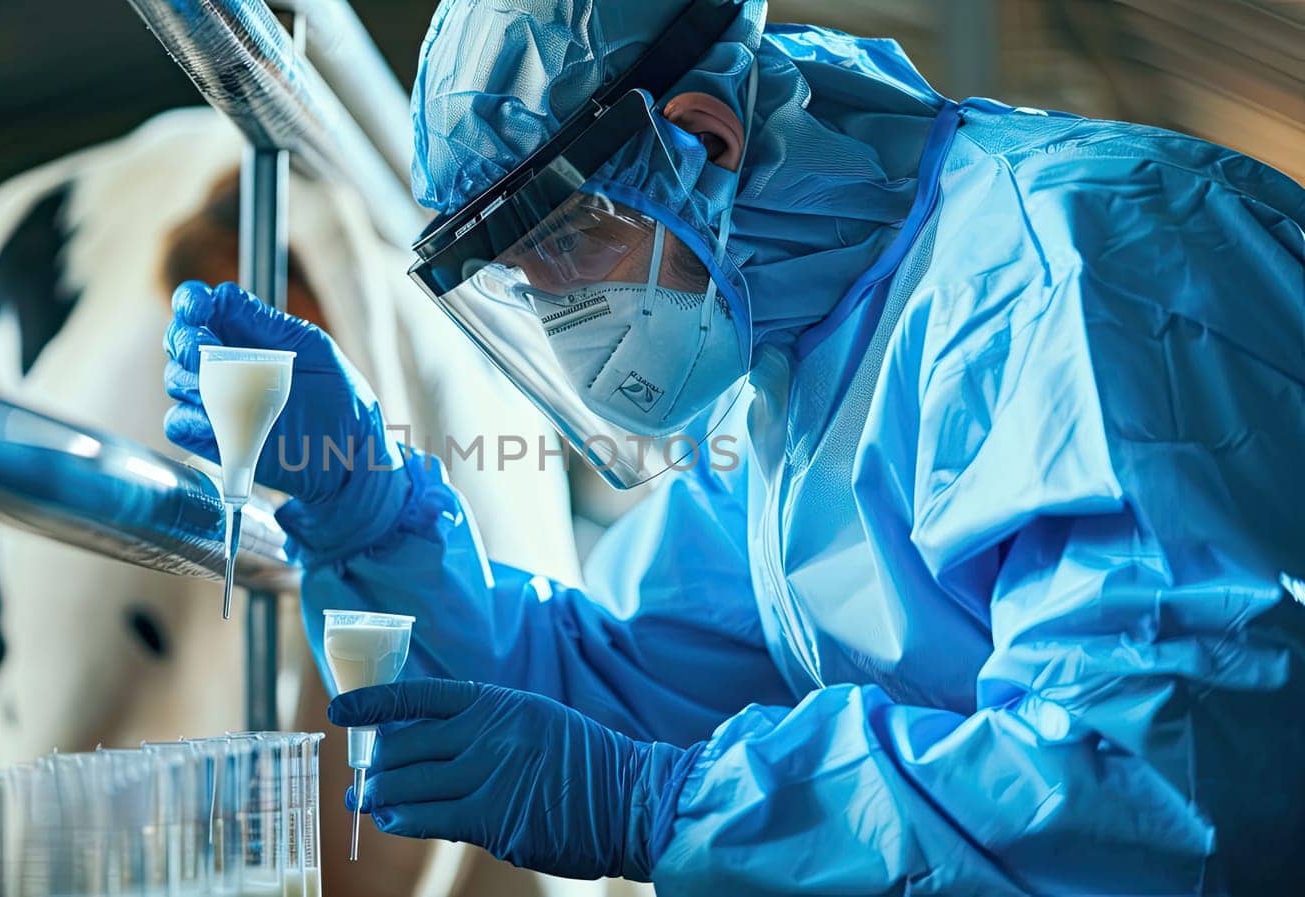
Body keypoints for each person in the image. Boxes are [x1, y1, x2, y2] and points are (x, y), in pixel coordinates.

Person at [163, 0, 1305, 892]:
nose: (560, 323)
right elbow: (618, 693)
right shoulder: (789, 372)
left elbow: (1162, 794)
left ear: (699, 142)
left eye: (560, 257)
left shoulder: (1087, 277)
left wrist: (662, 809)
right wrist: (364, 515)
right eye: (518, 288)